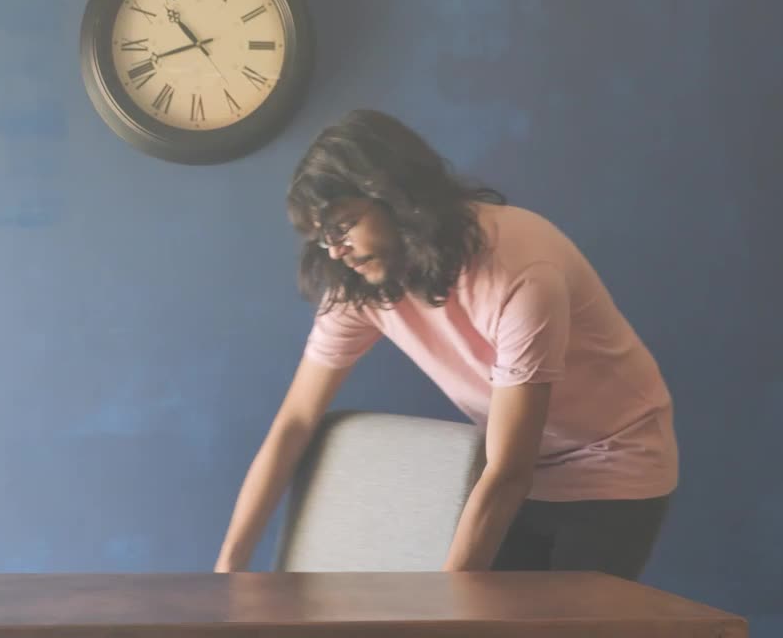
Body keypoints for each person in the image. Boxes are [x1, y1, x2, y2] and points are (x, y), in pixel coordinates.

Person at [214, 109, 678, 580]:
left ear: (398, 198)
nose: (334, 251)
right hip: (513, 464)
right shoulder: (359, 282)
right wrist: (228, 569)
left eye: (343, 226)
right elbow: (294, 423)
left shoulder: (519, 271)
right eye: (321, 237)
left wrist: (442, 615)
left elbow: (508, 472)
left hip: (612, 461)